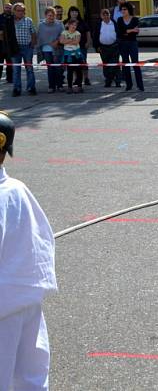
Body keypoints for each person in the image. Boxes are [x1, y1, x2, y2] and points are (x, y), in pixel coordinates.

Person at [0, 112, 57, 391]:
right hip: (27, 297)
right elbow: (43, 242)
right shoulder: (17, 189)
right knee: (31, 375)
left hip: (4, 308)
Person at [116, 2, 144, 92]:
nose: (123, 11)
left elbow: (136, 31)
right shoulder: (119, 20)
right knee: (125, 64)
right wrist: (131, 30)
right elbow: (120, 33)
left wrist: (127, 31)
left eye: (125, 9)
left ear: (129, 10)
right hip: (122, 43)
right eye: (122, 9)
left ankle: (140, 85)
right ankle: (129, 85)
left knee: (135, 63)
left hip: (133, 43)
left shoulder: (135, 19)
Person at [11, 3, 37, 97]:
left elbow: (33, 32)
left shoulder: (28, 20)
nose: (21, 12)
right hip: (15, 48)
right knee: (16, 69)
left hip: (27, 47)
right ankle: (16, 89)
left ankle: (31, 88)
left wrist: (33, 43)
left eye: (22, 10)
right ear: (14, 11)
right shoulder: (10, 21)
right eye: (18, 10)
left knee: (29, 69)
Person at [36, 7, 64, 93]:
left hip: (57, 48)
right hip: (46, 49)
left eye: (53, 15)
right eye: (49, 15)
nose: (51, 17)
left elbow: (63, 35)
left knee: (58, 68)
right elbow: (40, 37)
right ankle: (51, 86)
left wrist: (57, 41)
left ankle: (60, 85)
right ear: (45, 15)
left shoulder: (59, 24)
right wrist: (48, 43)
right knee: (50, 68)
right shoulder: (41, 25)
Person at [66, 6, 92, 86]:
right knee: (73, 63)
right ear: (69, 13)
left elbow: (88, 32)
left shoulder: (82, 22)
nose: (74, 13)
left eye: (76, 12)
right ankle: (76, 79)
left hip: (82, 46)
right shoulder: (66, 22)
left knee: (83, 62)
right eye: (72, 12)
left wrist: (88, 42)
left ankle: (86, 78)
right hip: (71, 47)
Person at [97, 8, 121, 88]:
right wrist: (97, 47)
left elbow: (119, 34)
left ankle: (117, 81)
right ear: (101, 16)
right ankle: (108, 81)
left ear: (110, 15)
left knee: (115, 65)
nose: (106, 16)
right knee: (106, 66)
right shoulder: (99, 24)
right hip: (103, 48)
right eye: (104, 14)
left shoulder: (114, 23)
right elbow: (95, 36)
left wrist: (118, 44)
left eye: (107, 14)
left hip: (114, 47)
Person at [60, 19, 84, 93]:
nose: (74, 26)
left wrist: (67, 40)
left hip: (76, 55)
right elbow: (61, 41)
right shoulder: (64, 32)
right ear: (69, 25)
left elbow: (76, 42)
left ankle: (80, 86)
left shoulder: (78, 33)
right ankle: (70, 87)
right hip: (68, 55)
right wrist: (71, 40)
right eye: (72, 25)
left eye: (75, 25)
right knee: (69, 71)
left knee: (79, 71)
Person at [0, 4, 16, 84]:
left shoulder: (13, 18)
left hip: (9, 45)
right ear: (4, 8)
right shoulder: (0, 17)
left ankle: (10, 78)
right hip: (0, 45)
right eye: (7, 8)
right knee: (0, 63)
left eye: (10, 8)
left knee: (10, 63)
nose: (8, 9)